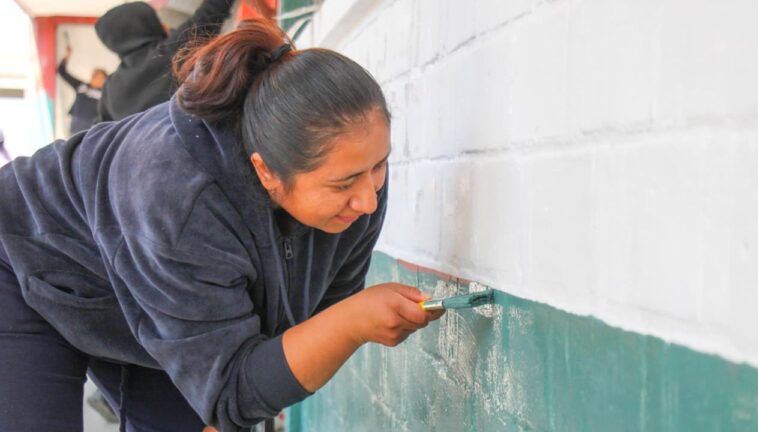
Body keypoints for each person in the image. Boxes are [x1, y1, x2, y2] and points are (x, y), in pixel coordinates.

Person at [0, 18, 442, 432]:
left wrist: (237, 396)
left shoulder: (356, 180)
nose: (367, 200)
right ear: (266, 172)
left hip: (157, 292)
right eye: (344, 183)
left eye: (379, 167)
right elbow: (235, 391)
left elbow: (302, 329)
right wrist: (351, 325)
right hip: (24, 263)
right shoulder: (179, 199)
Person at [95, 0, 234, 121]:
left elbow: (97, 133)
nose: (164, 24)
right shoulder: (168, 53)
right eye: (156, 20)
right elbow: (211, 12)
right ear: (144, 26)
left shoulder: (110, 88)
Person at [57, 46, 107, 134]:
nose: (98, 80)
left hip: (91, 128)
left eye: (102, 78)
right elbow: (62, 71)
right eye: (96, 76)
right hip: (75, 125)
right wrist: (67, 56)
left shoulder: (105, 94)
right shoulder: (81, 86)